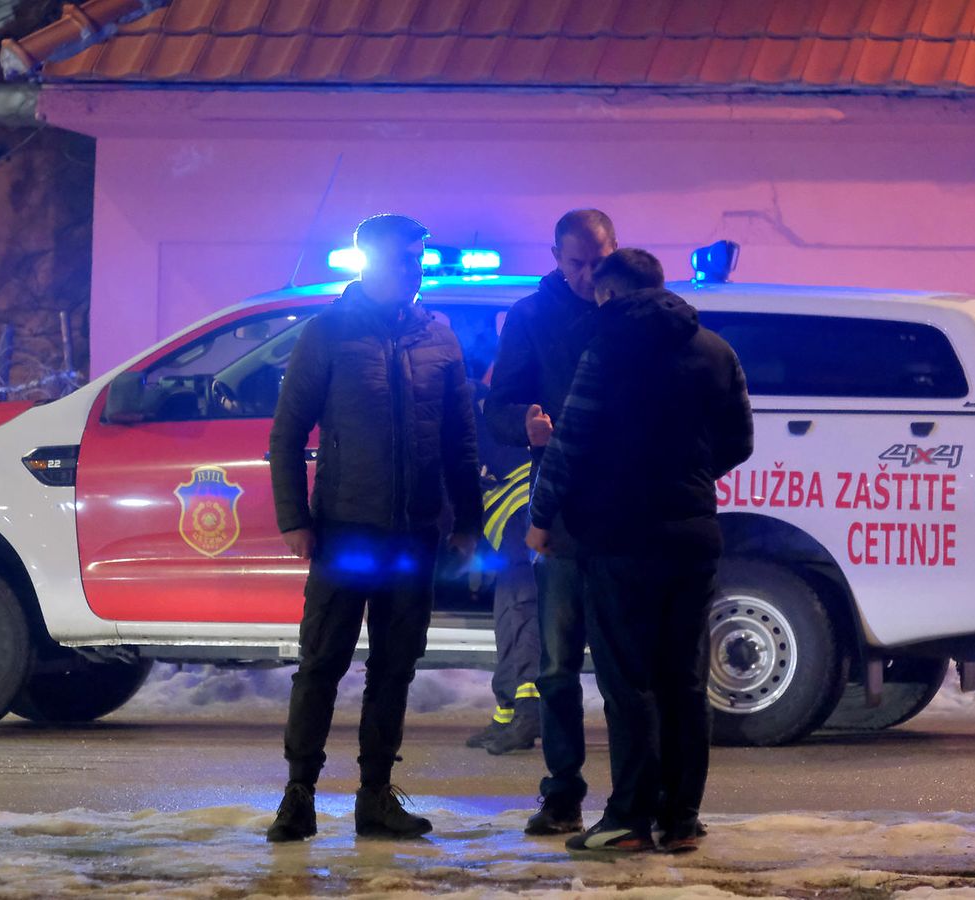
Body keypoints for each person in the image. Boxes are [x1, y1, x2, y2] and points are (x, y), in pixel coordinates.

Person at [266, 213, 483, 842]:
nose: (414, 270)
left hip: (414, 535)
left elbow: (459, 442)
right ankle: (298, 795)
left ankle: (375, 797)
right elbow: (286, 435)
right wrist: (295, 520)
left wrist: (466, 520)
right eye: (402, 259)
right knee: (322, 664)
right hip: (345, 531)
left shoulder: (439, 338)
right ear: (370, 262)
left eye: (419, 259)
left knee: (395, 668)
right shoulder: (327, 334)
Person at [527, 248, 753, 853]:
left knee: (629, 683)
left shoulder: (607, 349)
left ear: (612, 294)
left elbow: (571, 442)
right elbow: (740, 440)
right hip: (692, 535)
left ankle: (627, 817)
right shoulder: (714, 348)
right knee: (682, 680)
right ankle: (680, 817)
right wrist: (691, 478)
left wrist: (542, 517)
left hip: (620, 537)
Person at [480, 211, 616, 832]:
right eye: (575, 263)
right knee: (558, 665)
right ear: (556, 257)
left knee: (625, 668)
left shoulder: (637, 310)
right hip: (559, 510)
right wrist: (525, 427)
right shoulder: (532, 317)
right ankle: (562, 795)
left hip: (626, 509)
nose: (587, 275)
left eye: (597, 260)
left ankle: (636, 800)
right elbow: (498, 406)